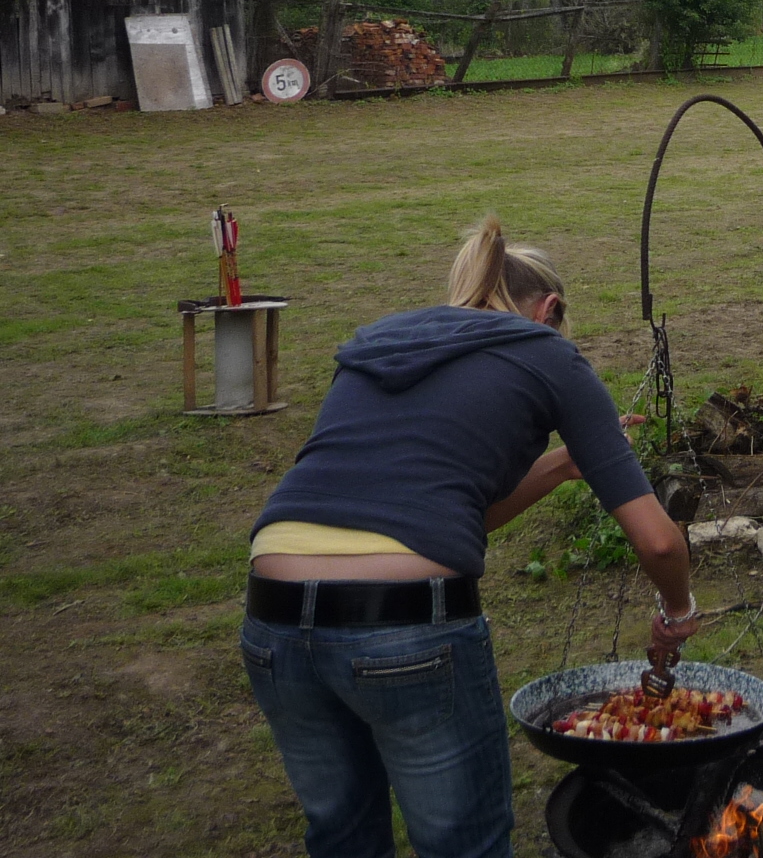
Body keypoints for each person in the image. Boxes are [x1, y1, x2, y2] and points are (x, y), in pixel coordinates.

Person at [241, 219, 699, 858]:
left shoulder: (381, 342)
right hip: (406, 629)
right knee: (463, 845)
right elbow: (659, 543)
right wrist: (678, 611)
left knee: (342, 835)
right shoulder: (547, 353)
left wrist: (563, 465)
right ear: (549, 309)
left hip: (273, 614)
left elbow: (446, 520)